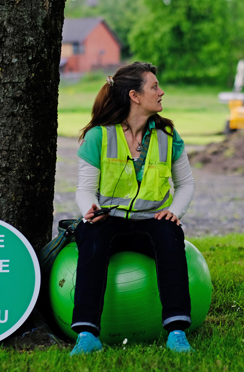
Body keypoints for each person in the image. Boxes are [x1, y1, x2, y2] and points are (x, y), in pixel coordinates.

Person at [69, 62, 196, 356]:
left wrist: (175, 211)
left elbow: (186, 184)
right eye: (154, 86)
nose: (161, 92)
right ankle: (87, 335)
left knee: (171, 235)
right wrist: (90, 209)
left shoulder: (168, 135)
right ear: (134, 96)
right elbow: (85, 189)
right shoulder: (98, 136)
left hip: (151, 220)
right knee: (91, 237)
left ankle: (176, 331)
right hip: (109, 218)